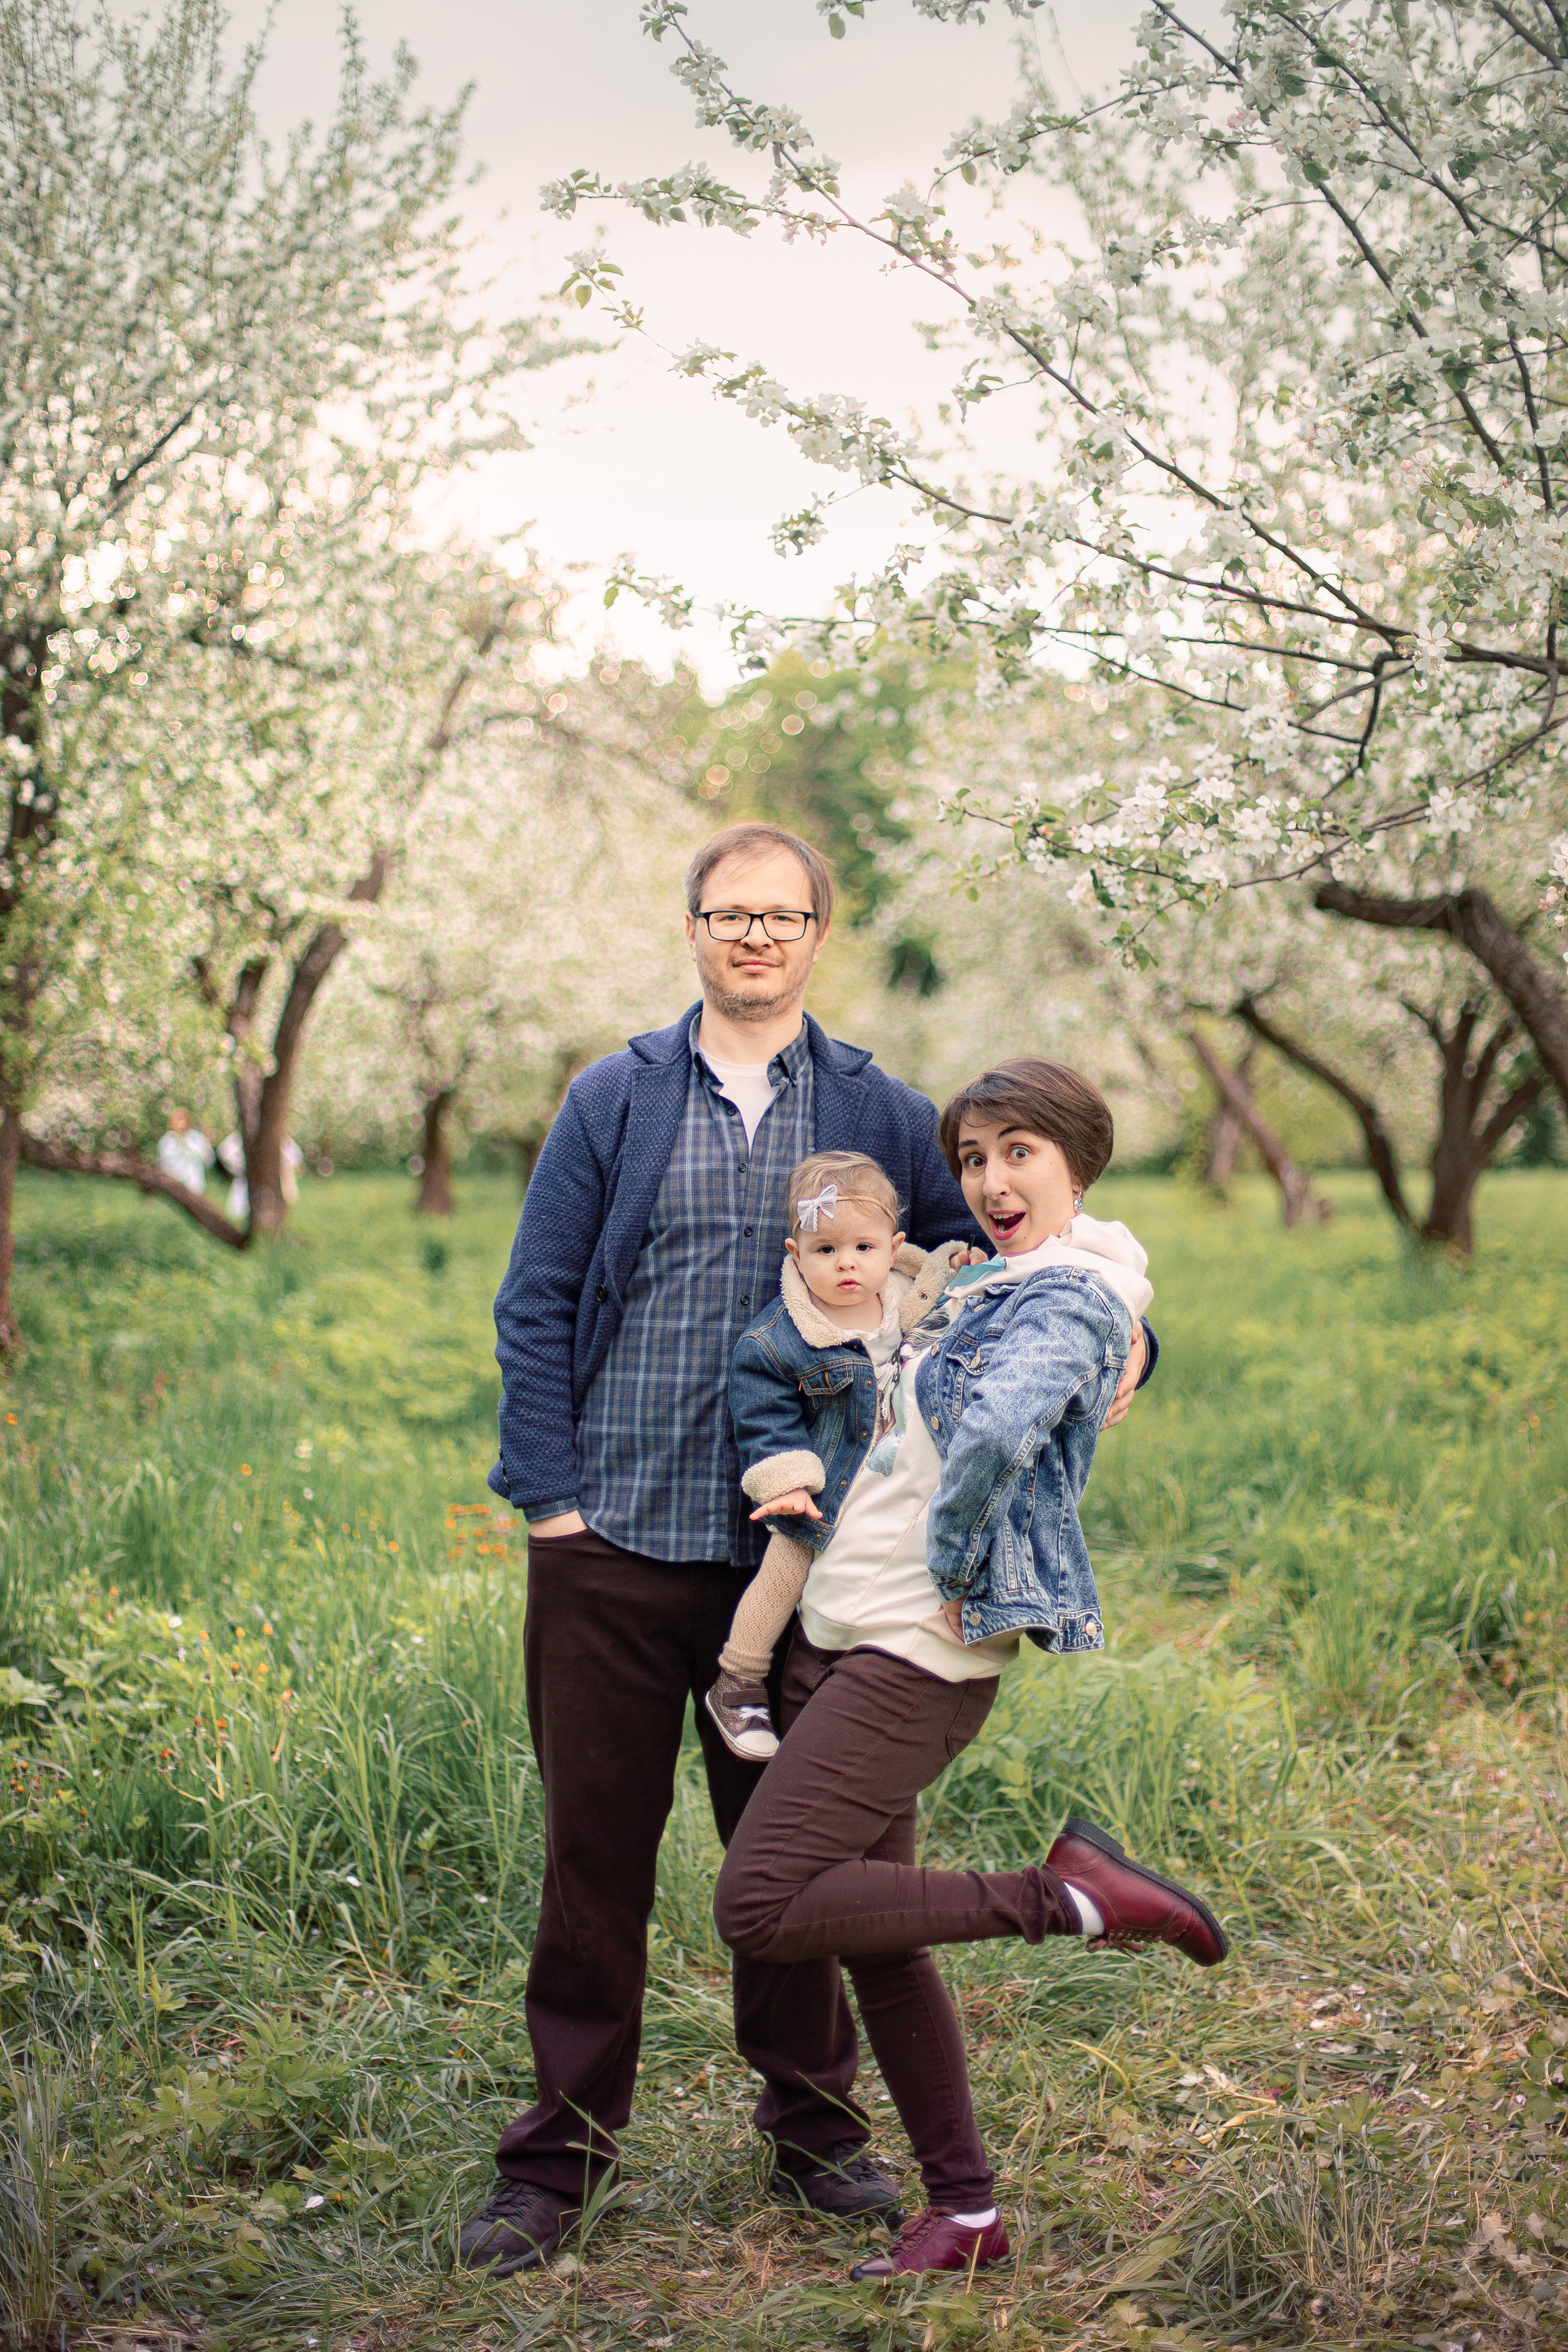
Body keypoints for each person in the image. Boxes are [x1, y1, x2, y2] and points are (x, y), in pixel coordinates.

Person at [462, 823, 1156, 2279]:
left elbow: (1020, 1239)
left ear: (817, 932)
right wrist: (548, 1498)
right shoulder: (615, 1097)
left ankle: (814, 2133)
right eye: (729, 913)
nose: (755, 937)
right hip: (614, 1540)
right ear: (695, 927)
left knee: (798, 1858)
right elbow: (535, 1299)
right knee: (593, 1862)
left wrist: (1135, 1334)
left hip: (802, 1566)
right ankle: (557, 2160)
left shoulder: (877, 1107)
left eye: (781, 915)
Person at [711, 1057, 1225, 2282]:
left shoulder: (1068, 1296)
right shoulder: (990, 1279)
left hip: (917, 1646)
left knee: (761, 1905)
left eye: (1019, 1153)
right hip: (840, 1628)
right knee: (878, 1941)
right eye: (972, 1158)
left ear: (1075, 1162)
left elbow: (996, 1434)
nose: (990, 1181)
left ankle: (1075, 1899)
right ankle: (966, 2216)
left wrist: (950, 1559)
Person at [704, 1150, 962, 1760]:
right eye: (825, 1251)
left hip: (903, 1482)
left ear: (893, 1247)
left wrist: (955, 1268)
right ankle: (738, 1680)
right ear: (796, 1253)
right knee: (786, 1567)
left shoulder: (910, 1300)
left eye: (863, 1250)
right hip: (828, 1486)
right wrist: (787, 1481)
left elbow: (955, 1324)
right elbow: (762, 1413)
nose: (846, 1264)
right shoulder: (780, 1338)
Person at [217, 1131, 303, 1223]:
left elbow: (296, 1157)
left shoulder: (280, 1137)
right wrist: (241, 1167)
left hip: (275, 1181)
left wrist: (281, 1167)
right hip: (246, 1180)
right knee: (240, 1213)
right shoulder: (243, 1135)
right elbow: (224, 1152)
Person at [156, 1108, 214, 1196]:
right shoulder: (166, 1142)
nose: (180, 1123)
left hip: (196, 1189)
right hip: (175, 1191)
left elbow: (209, 1162)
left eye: (182, 1118)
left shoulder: (196, 1138)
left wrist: (207, 1146)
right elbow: (163, 1167)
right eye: (177, 1119)